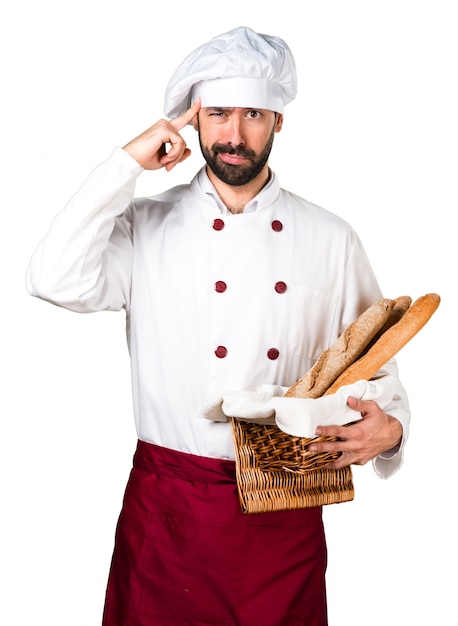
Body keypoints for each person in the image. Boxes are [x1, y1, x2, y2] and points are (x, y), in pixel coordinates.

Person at [26, 26, 410, 626]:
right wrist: (125, 163)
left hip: (283, 514)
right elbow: (52, 278)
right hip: (168, 512)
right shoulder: (144, 225)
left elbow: (376, 366)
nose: (234, 135)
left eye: (254, 113)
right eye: (218, 113)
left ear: (279, 120)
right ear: (193, 120)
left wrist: (390, 429)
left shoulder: (330, 238)